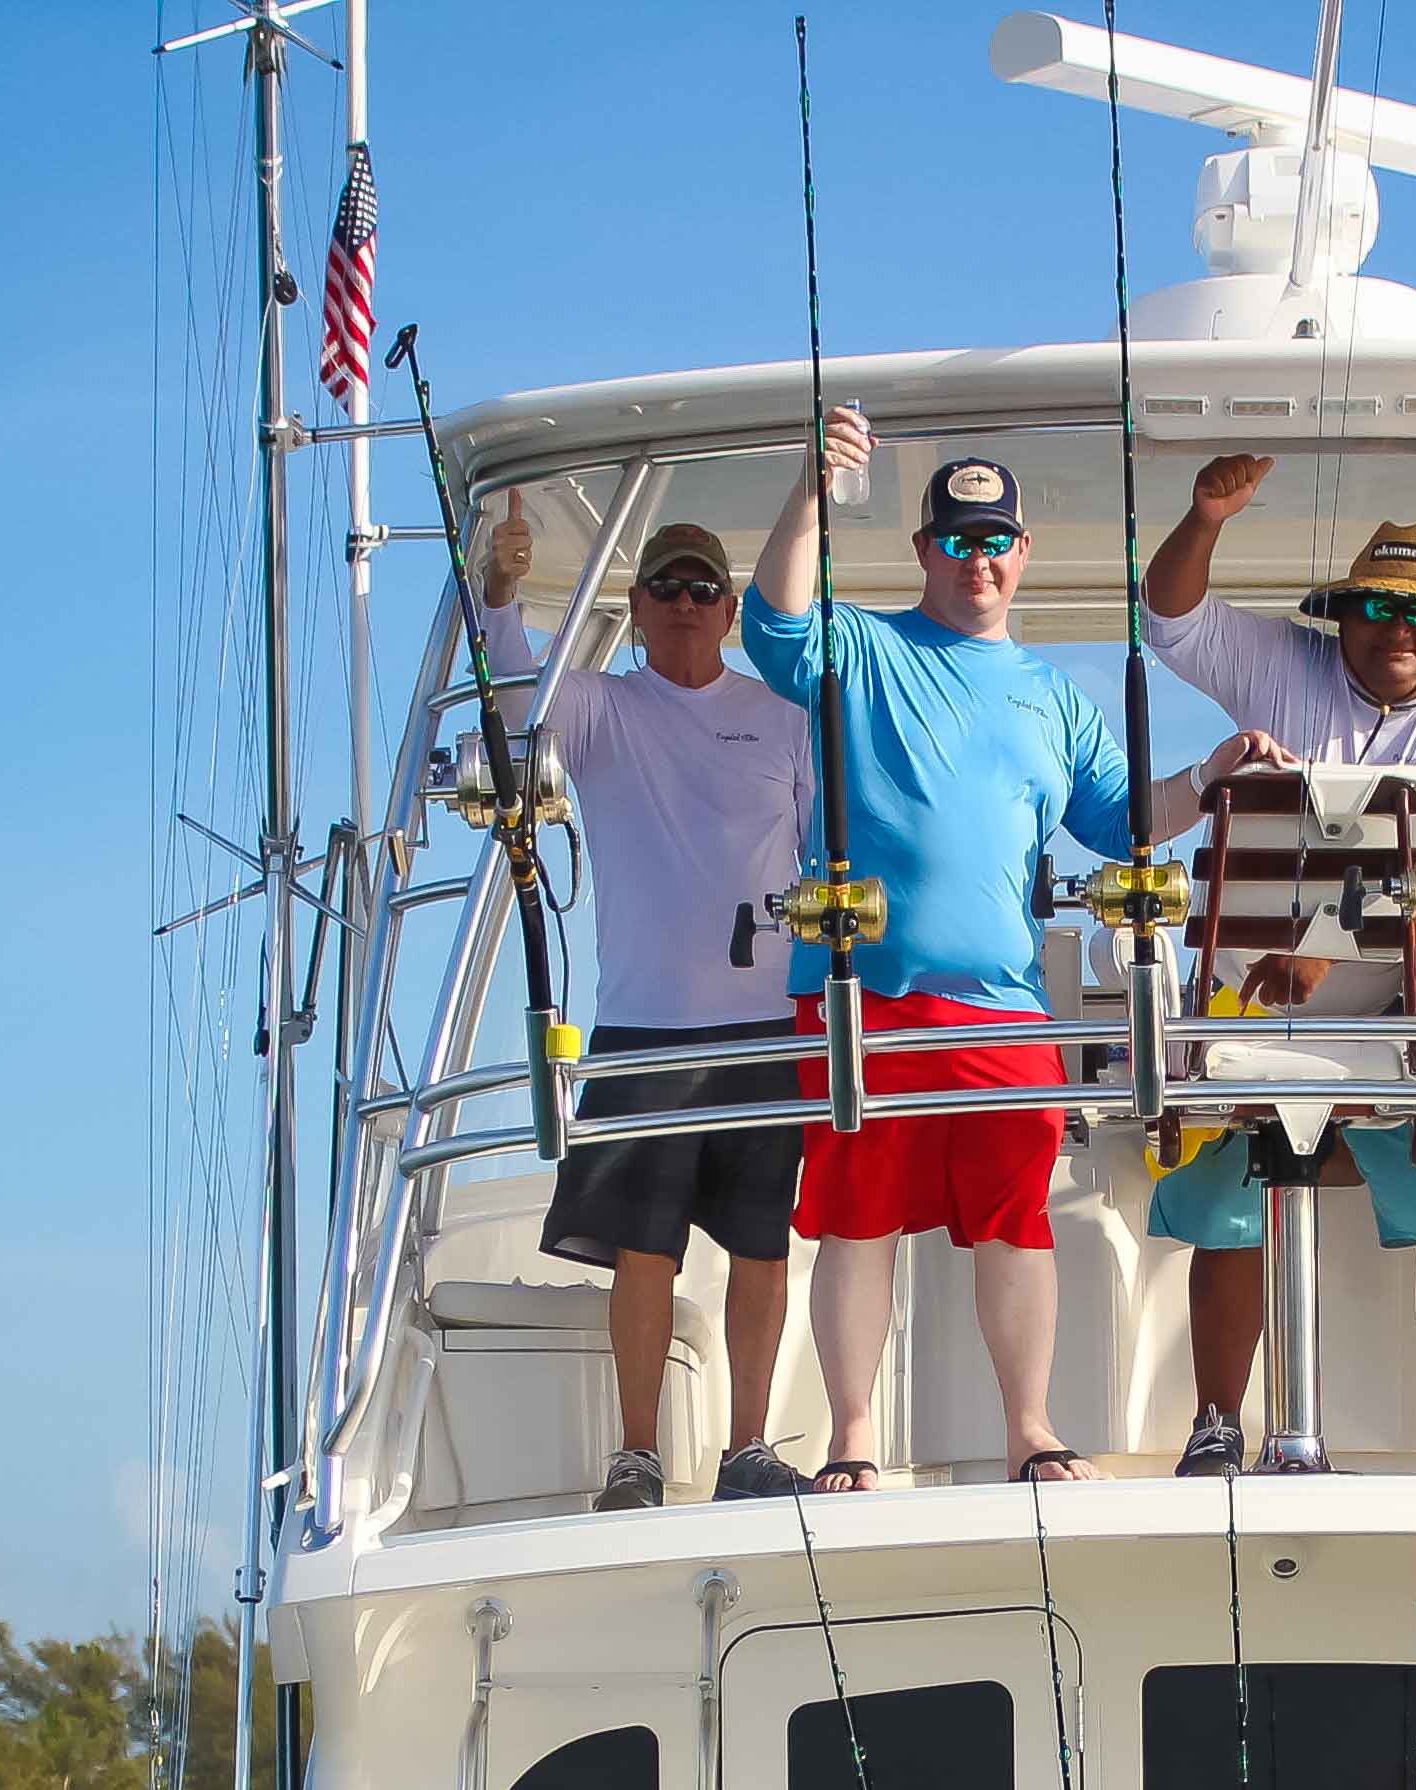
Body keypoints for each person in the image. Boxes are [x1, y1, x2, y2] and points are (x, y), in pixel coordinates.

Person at [741, 415, 1159, 1490]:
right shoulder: (859, 644)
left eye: (996, 540)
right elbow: (772, 626)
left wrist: (1219, 776)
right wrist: (810, 490)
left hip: (1004, 1006)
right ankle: (852, 1439)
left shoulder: (1055, 696)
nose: (980, 559)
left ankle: (1031, 1429)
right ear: (925, 549)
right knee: (856, 1217)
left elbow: (1128, 824)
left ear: (1022, 553)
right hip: (863, 993)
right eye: (960, 540)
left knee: (1017, 1218)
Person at [1137, 466, 1416, 1478]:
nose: (1395, 627)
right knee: (1228, 1214)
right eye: (1375, 605)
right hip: (1245, 1001)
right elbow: (1170, 618)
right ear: (1342, 614)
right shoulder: (1285, 660)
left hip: (1412, 1007)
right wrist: (1206, 518)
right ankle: (1217, 1424)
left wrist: (1326, 945)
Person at [472, 507, 822, 1510]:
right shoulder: (601, 708)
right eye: (665, 587)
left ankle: (748, 1449)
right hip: (643, 1027)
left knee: (763, 1244)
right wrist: (500, 591)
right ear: (635, 606)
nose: (684, 603)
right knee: (644, 1250)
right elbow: (513, 692)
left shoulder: (785, 718)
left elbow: (823, 846)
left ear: (729, 611)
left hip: (765, 1022)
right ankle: (636, 1456)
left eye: (703, 589)